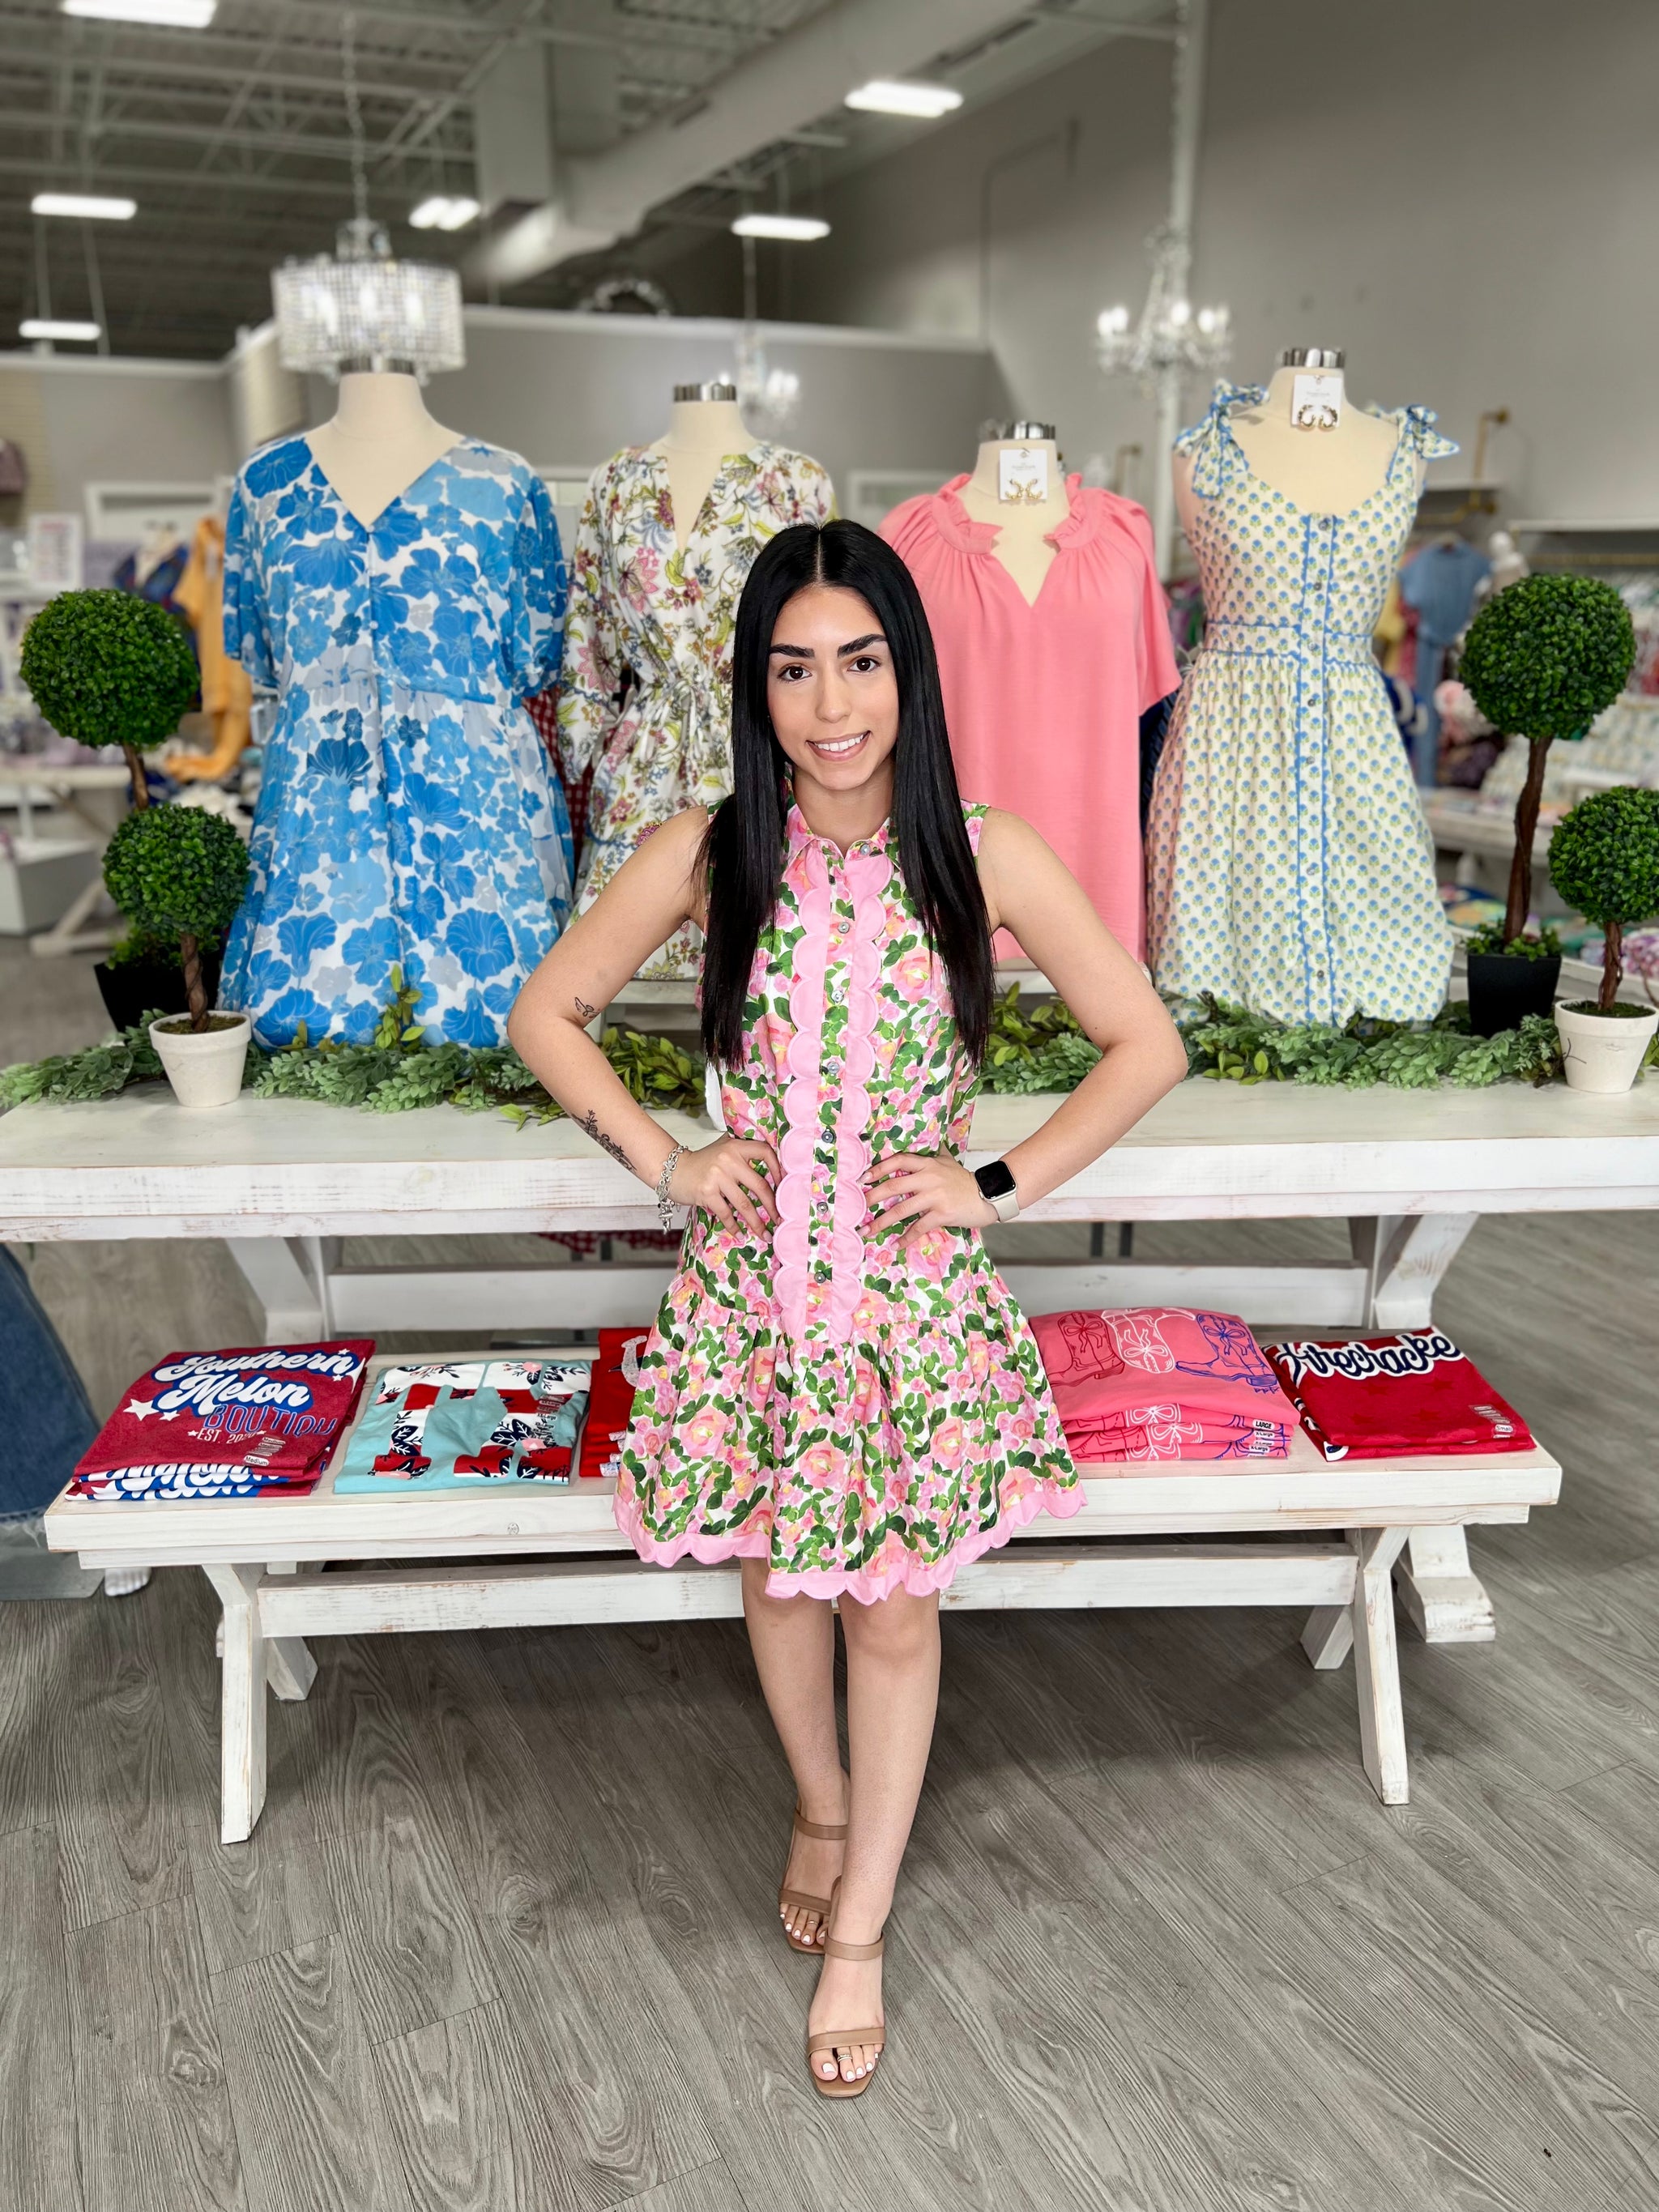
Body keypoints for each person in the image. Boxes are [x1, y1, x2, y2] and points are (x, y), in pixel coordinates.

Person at [508, 518, 1188, 2096]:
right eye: (794, 668)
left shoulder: (984, 849)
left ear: (908, 671)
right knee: (775, 1574)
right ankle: (818, 1802)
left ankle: (865, 1924)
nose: (831, 706)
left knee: (890, 1605)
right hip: (751, 1297)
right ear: (755, 687)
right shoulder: (707, 849)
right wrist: (670, 1163)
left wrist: (994, 1183)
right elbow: (547, 1012)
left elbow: (1143, 1043)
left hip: (909, 1311)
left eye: (861, 663)